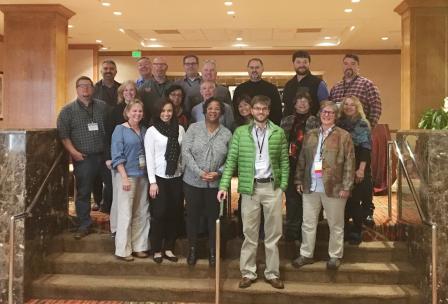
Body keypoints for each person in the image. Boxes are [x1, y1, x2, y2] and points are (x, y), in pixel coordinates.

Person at [218, 95, 289, 290]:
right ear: (251, 110)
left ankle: (272, 273)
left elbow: (284, 161)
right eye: (257, 108)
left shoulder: (279, 132)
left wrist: (282, 186)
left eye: (264, 109)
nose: (260, 112)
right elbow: (231, 160)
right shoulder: (240, 133)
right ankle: (248, 272)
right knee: (249, 233)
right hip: (250, 189)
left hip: (271, 188)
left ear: (269, 111)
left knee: (273, 234)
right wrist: (224, 186)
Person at [293, 101, 355, 270]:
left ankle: (335, 256)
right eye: (324, 112)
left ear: (336, 116)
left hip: (334, 187)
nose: (327, 115)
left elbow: (350, 163)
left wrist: (346, 186)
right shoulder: (310, 135)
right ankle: (306, 254)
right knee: (308, 222)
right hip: (310, 185)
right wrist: (298, 180)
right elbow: (302, 160)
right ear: (320, 114)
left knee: (335, 223)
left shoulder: (344, 136)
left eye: (331, 113)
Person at [57, 76, 110, 239]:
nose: (85, 89)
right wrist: (73, 153)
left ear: (93, 89)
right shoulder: (67, 111)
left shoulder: (103, 107)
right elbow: (64, 136)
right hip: (84, 158)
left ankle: (113, 224)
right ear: (77, 89)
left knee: (113, 189)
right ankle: (84, 224)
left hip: (105, 157)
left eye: (88, 86)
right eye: (82, 86)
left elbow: (111, 129)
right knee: (84, 192)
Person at [182, 97, 232, 267]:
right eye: (210, 108)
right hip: (192, 182)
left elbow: (231, 159)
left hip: (215, 185)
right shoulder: (194, 128)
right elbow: (186, 152)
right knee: (193, 218)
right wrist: (199, 172)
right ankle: (193, 249)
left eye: (217, 108)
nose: (213, 111)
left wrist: (219, 172)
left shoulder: (226, 133)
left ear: (222, 112)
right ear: (204, 111)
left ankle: (213, 251)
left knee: (214, 219)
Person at [144, 100, 185, 264]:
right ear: (157, 112)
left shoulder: (180, 129)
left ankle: (169, 247)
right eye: (163, 111)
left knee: (174, 213)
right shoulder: (151, 131)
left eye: (169, 111)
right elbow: (149, 157)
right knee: (159, 214)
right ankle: (156, 249)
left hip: (177, 177)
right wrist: (152, 182)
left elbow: (183, 154)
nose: (166, 114)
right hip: (159, 177)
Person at [111, 100, 150, 261]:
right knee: (125, 213)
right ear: (127, 113)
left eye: (140, 111)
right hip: (127, 176)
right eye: (134, 111)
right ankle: (123, 250)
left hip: (143, 176)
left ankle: (139, 247)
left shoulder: (145, 130)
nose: (137, 114)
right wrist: (124, 177)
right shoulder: (119, 130)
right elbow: (117, 155)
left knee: (142, 212)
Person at [280, 92, 319, 242]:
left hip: (309, 164)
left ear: (310, 104)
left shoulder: (316, 121)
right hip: (290, 162)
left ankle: (306, 233)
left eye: (305, 101)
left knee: (308, 198)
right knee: (291, 198)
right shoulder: (286, 121)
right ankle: (291, 231)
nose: (302, 104)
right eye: (299, 101)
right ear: (294, 104)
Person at [105, 80, 139, 238]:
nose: (129, 92)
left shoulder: (139, 110)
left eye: (132, 90)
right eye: (126, 90)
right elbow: (107, 137)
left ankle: (128, 228)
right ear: (122, 93)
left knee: (133, 201)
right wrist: (108, 157)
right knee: (118, 196)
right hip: (118, 161)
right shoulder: (114, 112)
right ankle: (116, 228)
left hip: (136, 163)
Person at [338, 96, 373, 245]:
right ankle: (344, 231)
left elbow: (365, 148)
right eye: (346, 104)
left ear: (357, 107)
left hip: (358, 165)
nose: (348, 107)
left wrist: (361, 169)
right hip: (342, 166)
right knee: (342, 202)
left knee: (354, 200)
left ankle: (357, 231)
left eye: (352, 105)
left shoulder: (362, 124)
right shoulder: (339, 123)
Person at [92, 59, 120, 212]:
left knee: (112, 175)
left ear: (116, 71)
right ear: (101, 71)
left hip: (117, 134)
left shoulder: (121, 88)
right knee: (98, 173)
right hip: (98, 134)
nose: (108, 71)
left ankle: (109, 203)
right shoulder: (94, 89)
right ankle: (98, 200)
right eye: (106, 68)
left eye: (111, 68)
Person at [329, 54, 382, 128]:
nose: (349, 66)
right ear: (343, 66)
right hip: (339, 132)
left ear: (358, 67)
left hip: (359, 133)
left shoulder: (367, 84)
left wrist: (367, 128)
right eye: (346, 64)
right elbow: (332, 109)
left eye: (353, 64)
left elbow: (376, 109)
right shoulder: (336, 87)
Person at [232, 58, 282, 125]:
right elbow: (236, 112)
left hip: (267, 129)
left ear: (262, 69)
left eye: (257, 67)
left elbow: (277, 112)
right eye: (251, 68)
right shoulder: (239, 89)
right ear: (248, 69)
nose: (254, 70)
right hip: (244, 129)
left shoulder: (272, 89)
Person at [282, 50, 329, 117]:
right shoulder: (288, 85)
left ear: (309, 63)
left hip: (313, 125)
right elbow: (286, 107)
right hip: (290, 125)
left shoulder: (319, 83)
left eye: (305, 62)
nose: (302, 65)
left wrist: (317, 121)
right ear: (293, 63)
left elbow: (325, 106)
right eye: (298, 62)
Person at [139, 57, 173, 122]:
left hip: (168, 121)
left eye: (162, 64)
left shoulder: (173, 86)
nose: (159, 67)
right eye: (156, 64)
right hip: (149, 122)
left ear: (166, 67)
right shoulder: (143, 87)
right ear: (152, 67)